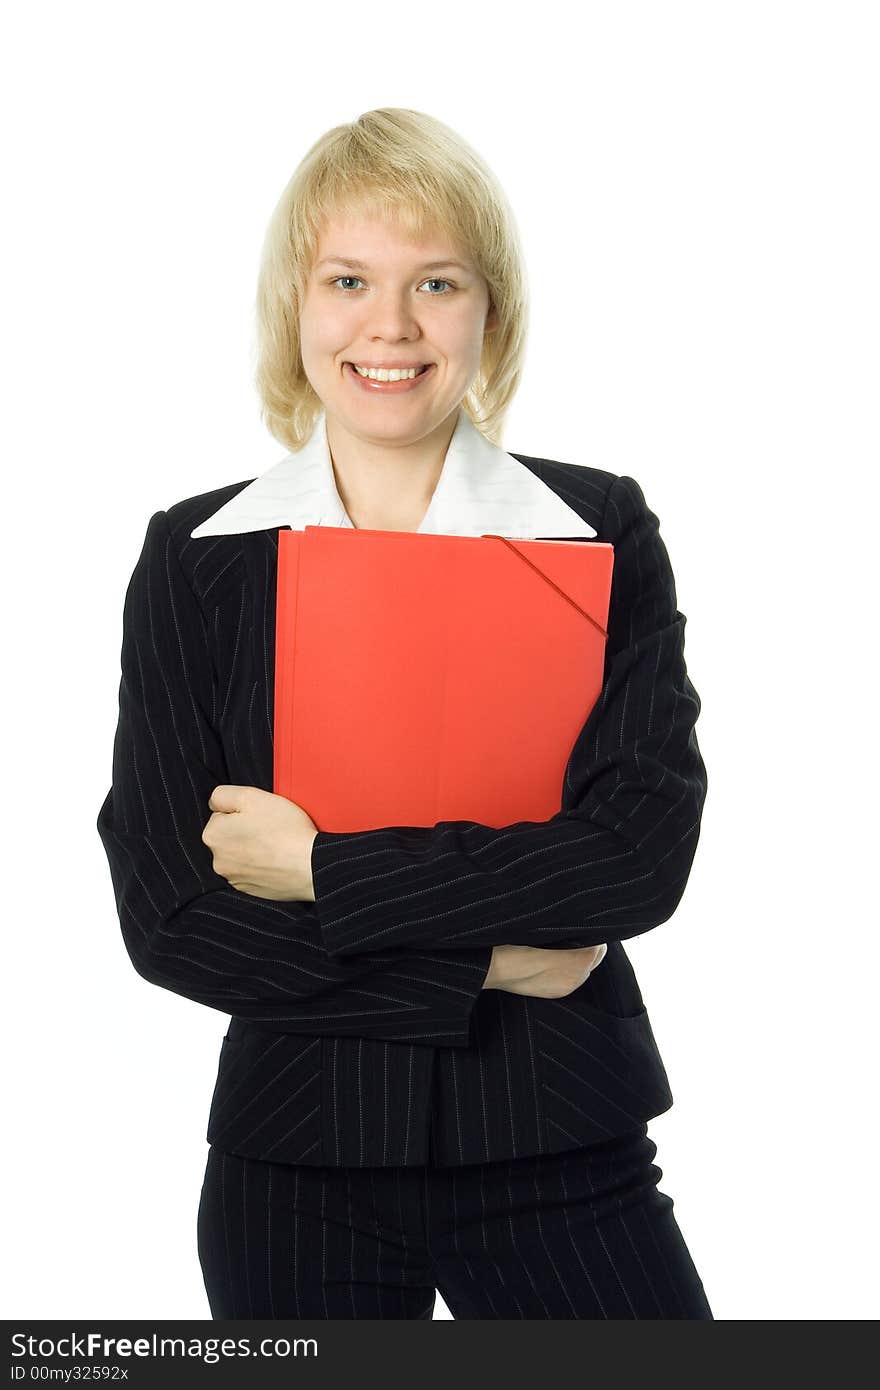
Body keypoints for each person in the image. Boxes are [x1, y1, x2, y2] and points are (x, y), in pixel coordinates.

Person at [96, 107, 713, 1319]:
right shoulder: (197, 558)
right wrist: (482, 963)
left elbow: (635, 860)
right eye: (348, 281)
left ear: (492, 312)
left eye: (436, 280)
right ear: (296, 308)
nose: (390, 325)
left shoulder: (596, 531)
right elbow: (171, 914)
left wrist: (320, 867)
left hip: (560, 1140)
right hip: (297, 1158)